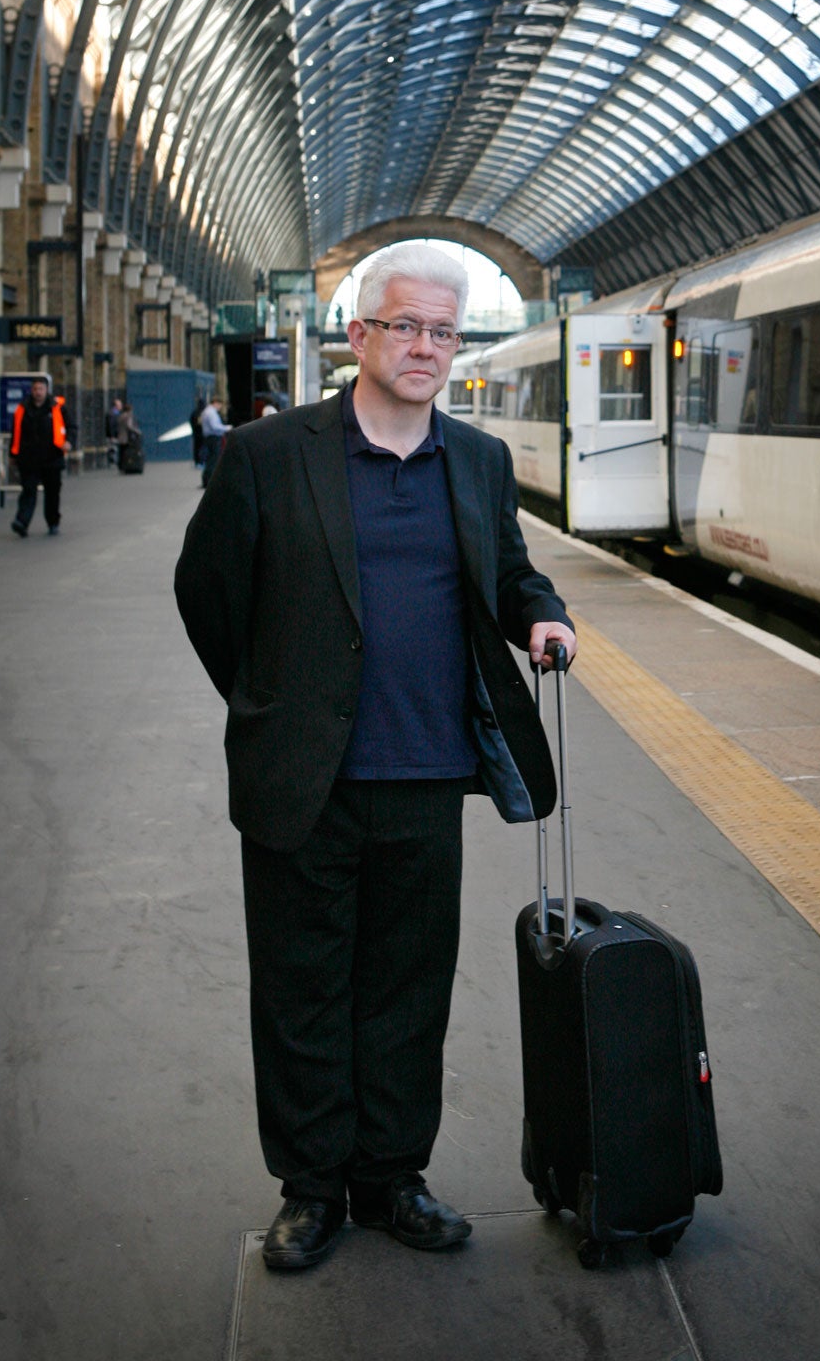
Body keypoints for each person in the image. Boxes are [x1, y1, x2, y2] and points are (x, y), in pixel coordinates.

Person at [174, 244, 576, 1275]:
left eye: (445, 330)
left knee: (407, 989)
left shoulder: (478, 461)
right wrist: (268, 698)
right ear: (359, 334)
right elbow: (207, 588)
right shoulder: (271, 454)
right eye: (407, 325)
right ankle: (311, 1190)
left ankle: (392, 1175)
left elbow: (512, 572)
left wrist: (543, 615)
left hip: (427, 774)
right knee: (301, 989)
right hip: (302, 778)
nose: (427, 346)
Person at [11, 376, 66, 536]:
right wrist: (13, 454)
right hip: (29, 458)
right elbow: (16, 432)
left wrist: (69, 441)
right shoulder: (23, 408)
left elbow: (70, 426)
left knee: (52, 493)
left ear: (46, 390)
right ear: (31, 390)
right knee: (28, 491)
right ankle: (22, 522)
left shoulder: (57, 407)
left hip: (52, 457)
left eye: (40, 389)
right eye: (35, 389)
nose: (37, 392)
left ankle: (53, 522)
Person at [199, 394, 228, 487]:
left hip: (209, 438)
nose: (220, 407)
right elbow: (215, 426)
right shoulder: (211, 413)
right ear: (215, 403)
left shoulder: (206, 411)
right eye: (220, 405)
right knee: (213, 460)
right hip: (214, 438)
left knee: (210, 459)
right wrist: (227, 428)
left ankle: (206, 480)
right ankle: (209, 481)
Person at [189, 392, 206, 467]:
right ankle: (202, 461)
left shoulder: (194, 413)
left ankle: (197, 462)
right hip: (203, 433)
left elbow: (191, 422)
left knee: (196, 448)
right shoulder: (204, 413)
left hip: (196, 433)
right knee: (203, 448)